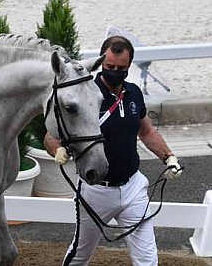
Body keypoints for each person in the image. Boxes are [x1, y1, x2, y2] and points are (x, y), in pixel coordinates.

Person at [45, 35, 182, 266]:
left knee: (148, 259)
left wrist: (169, 157)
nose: (115, 72)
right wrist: (57, 150)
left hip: (133, 187)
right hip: (96, 191)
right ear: (101, 64)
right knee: (80, 254)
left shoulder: (134, 93)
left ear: (129, 66)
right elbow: (51, 136)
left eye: (122, 68)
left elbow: (147, 132)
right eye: (110, 67)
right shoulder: (85, 92)